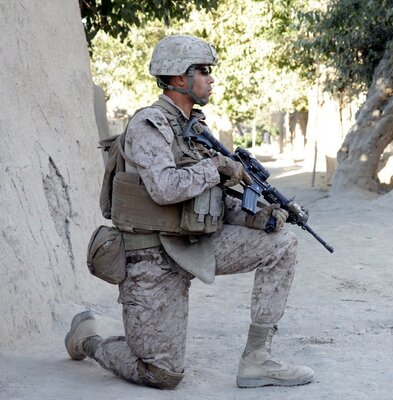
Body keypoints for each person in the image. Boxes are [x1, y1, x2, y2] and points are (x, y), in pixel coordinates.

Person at [64, 35, 313, 390]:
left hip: (195, 243)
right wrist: (217, 167)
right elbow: (165, 188)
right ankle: (89, 340)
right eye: (204, 71)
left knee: (281, 244)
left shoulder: (196, 130)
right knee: (162, 374)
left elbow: (209, 198)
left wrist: (257, 217)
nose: (211, 79)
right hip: (151, 256)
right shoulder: (149, 125)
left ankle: (258, 360)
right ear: (180, 78)